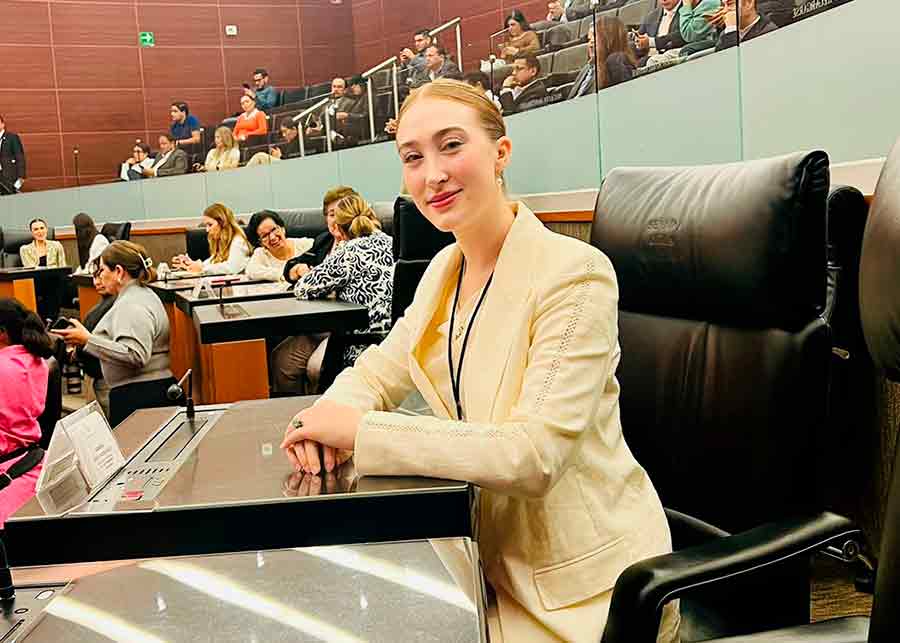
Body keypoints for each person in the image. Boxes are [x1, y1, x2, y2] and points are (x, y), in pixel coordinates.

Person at [280, 79, 681, 643]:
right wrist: (323, 421)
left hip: (583, 593)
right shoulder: (445, 270)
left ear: (501, 153)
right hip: (481, 558)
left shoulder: (575, 273)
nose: (432, 174)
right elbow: (377, 371)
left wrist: (362, 431)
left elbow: (532, 454)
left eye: (451, 145)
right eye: (413, 157)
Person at [272, 194, 393, 394]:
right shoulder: (392, 243)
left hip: (356, 345)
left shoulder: (348, 252)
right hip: (393, 341)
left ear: (340, 229)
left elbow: (303, 287)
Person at [54, 241, 173, 427]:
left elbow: (135, 354)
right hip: (141, 393)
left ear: (118, 271)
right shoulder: (138, 295)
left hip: (140, 398)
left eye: (101, 270)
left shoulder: (132, 304)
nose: (99, 276)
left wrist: (87, 340)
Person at [0, 298, 53, 525]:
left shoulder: (4, 367)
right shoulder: (35, 361)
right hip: (30, 464)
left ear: (2, 333)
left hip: (6, 478)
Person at [283, 186, 359, 285]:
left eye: (343, 213)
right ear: (326, 218)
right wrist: (297, 269)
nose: (337, 219)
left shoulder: (363, 242)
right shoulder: (324, 240)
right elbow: (292, 264)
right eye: (332, 214)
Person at [72, 268, 115, 415]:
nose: (98, 282)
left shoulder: (117, 306)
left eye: (101, 275)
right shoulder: (102, 306)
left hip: (106, 378)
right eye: (95, 276)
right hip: (96, 376)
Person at [171, 203, 252, 275]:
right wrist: (189, 263)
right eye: (206, 225)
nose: (207, 230)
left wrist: (202, 269)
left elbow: (232, 267)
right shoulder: (220, 241)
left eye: (210, 225)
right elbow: (213, 261)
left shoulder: (238, 240)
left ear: (223, 223)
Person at [245, 210, 314, 282]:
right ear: (260, 243)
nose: (272, 237)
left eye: (274, 229)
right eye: (265, 235)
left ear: (283, 228)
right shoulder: (261, 254)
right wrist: (285, 274)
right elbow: (251, 271)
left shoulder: (306, 244)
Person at [635, 0, 686, 66]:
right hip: (650, 61)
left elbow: (683, 35)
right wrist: (639, 43)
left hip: (677, 61)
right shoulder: (651, 17)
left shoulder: (688, 10)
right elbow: (639, 38)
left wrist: (652, 42)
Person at [0, 115, 26, 193]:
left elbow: (20, 157)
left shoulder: (12, 137)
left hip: (9, 177)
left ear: (3, 124)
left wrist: (21, 178)